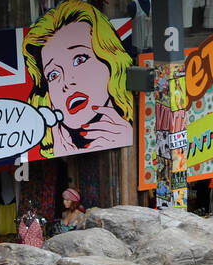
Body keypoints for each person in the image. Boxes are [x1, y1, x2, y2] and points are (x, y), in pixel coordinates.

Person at [24, 0, 134, 158]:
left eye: (79, 59)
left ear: (110, 61)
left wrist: (127, 137)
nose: (67, 83)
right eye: (53, 75)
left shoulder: (137, 124)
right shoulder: (54, 144)